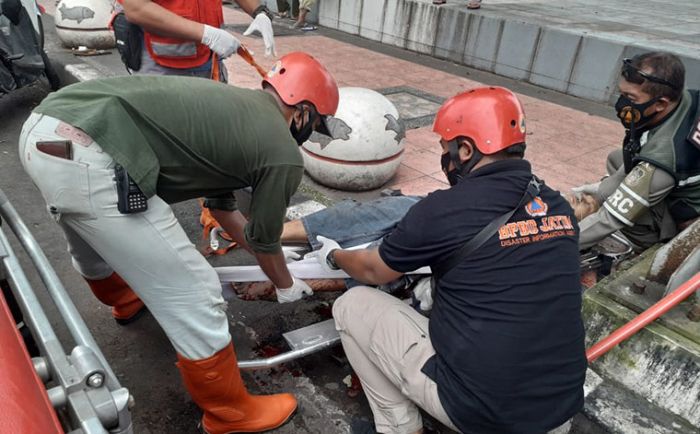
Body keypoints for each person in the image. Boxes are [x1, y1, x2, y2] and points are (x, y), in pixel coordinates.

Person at [18, 52, 338, 434]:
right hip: (92, 151)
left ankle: (125, 300)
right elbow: (265, 237)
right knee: (198, 293)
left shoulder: (238, 109)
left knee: (91, 235)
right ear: (302, 111)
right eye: (314, 123)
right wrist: (286, 284)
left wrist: (265, 252)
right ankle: (229, 414)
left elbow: (224, 209)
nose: (309, 131)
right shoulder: (282, 152)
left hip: (45, 127)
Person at [313, 87, 587, 433]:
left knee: (352, 305)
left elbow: (372, 270)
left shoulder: (444, 209)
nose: (446, 161)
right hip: (559, 413)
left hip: (484, 415)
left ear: (467, 150)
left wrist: (335, 256)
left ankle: (397, 427)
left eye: (447, 150)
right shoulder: (557, 206)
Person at [575, 52, 700, 251]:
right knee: (617, 159)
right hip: (683, 184)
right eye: (622, 94)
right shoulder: (686, 99)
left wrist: (556, 246)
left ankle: (651, 245)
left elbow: (609, 219)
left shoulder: (663, 157)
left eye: (630, 98)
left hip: (688, 220)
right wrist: (598, 193)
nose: (622, 103)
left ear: (661, 104)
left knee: (625, 210)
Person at [119, 0, 277, 80]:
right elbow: (136, 8)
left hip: (210, 63)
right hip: (163, 70)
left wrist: (259, 11)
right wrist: (205, 34)